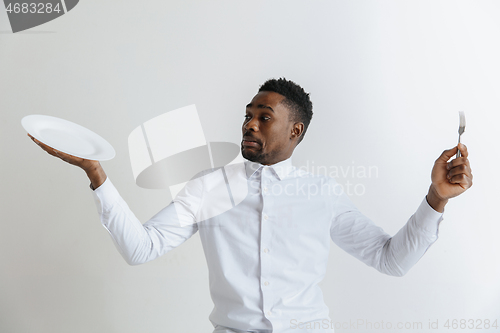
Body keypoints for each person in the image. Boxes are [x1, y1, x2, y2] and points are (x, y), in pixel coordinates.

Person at [29, 78, 473, 333]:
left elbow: (390, 260)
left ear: (295, 131)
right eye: (247, 114)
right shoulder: (208, 187)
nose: (250, 124)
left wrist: (435, 199)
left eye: (264, 118)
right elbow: (140, 248)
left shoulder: (322, 194)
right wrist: (96, 175)